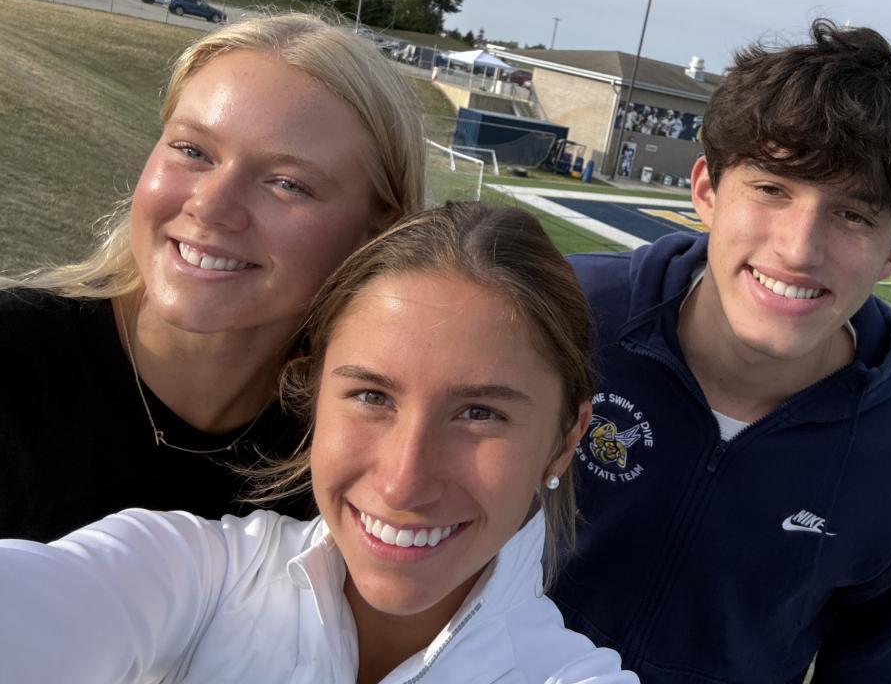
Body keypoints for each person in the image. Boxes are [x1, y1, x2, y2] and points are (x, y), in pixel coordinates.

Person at [0, 203, 638, 684]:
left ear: (564, 441)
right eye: (372, 396)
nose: (403, 482)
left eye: (479, 413)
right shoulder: (192, 573)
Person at [550, 20, 891, 683]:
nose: (798, 249)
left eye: (854, 215)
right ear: (707, 190)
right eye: (772, 188)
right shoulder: (564, 314)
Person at [0, 13, 426, 542]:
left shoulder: (364, 458)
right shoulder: (15, 358)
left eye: (287, 183)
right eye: (192, 151)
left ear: (376, 234)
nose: (210, 206)